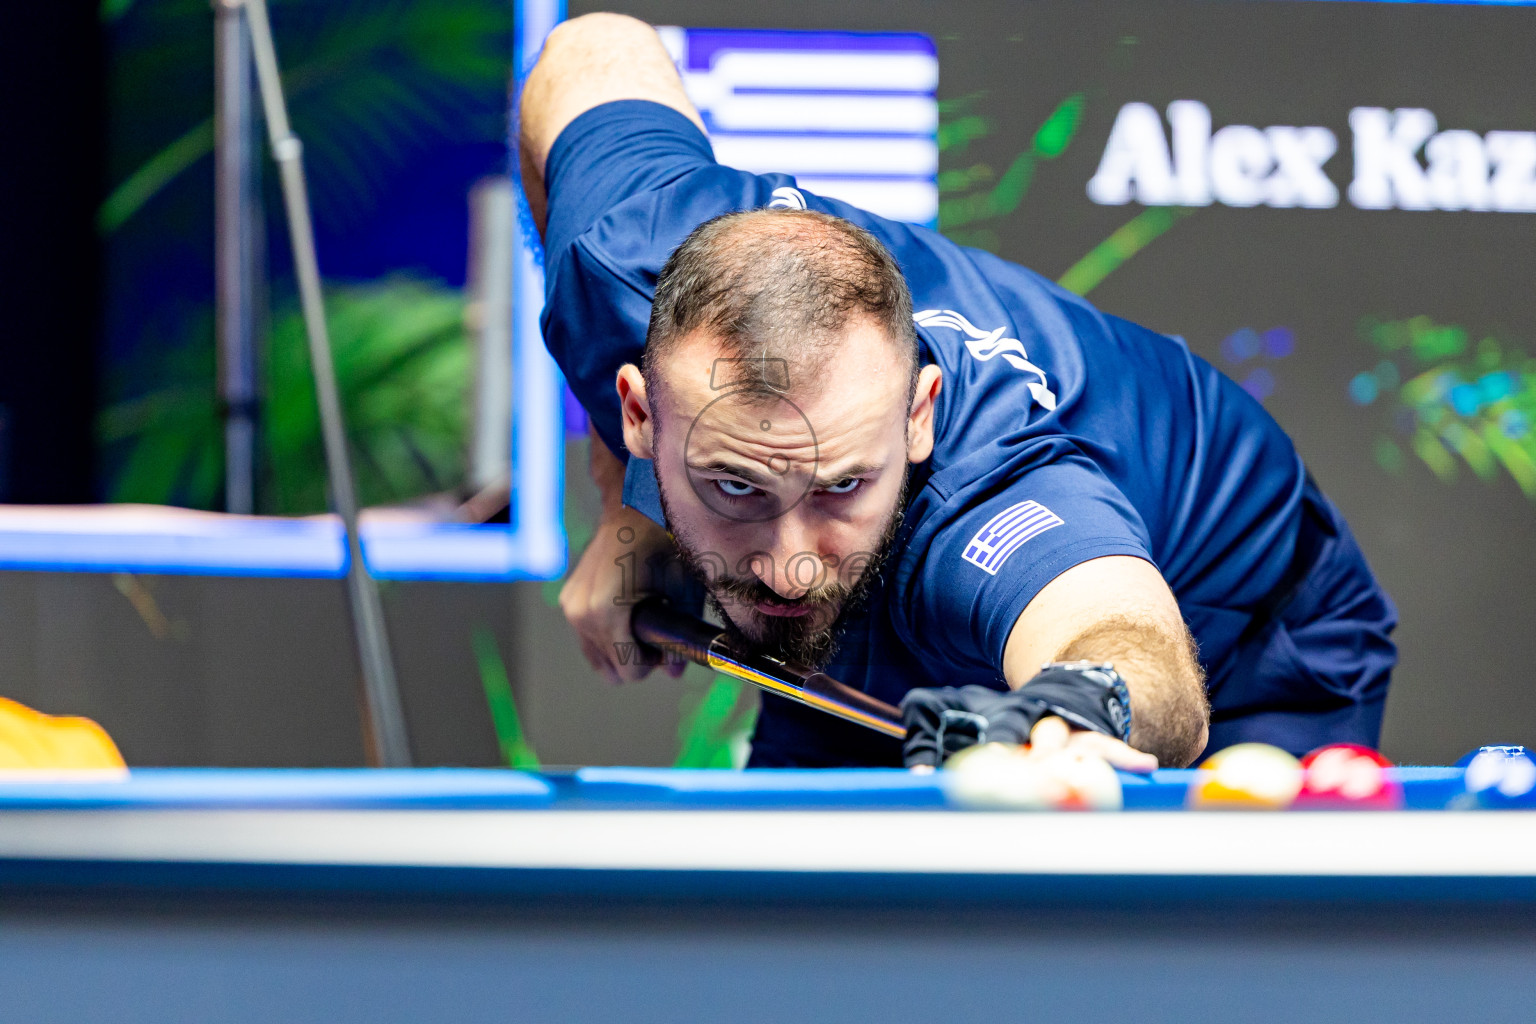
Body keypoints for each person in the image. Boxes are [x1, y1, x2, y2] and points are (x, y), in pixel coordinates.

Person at [520, 13, 1397, 770]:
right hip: (867, 609)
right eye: (736, 485)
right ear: (640, 410)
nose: (786, 559)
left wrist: (1075, 709)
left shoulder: (987, 486)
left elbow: (1133, 651)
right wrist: (627, 511)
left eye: (840, 486)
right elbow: (588, 51)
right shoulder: (620, 262)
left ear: (918, 417)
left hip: (1240, 635)